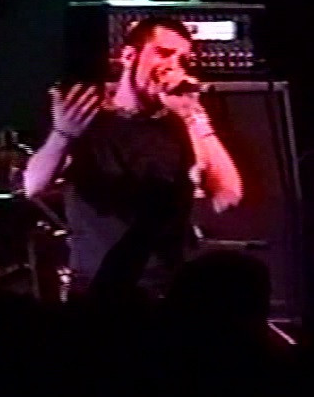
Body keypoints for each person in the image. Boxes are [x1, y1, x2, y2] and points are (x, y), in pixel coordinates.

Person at [23, 17, 243, 296]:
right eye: (163, 53)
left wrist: (194, 118)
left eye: (182, 60)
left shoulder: (181, 123)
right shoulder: (85, 118)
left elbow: (228, 197)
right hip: (99, 285)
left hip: (170, 285)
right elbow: (33, 185)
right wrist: (62, 135)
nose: (173, 65)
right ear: (129, 56)